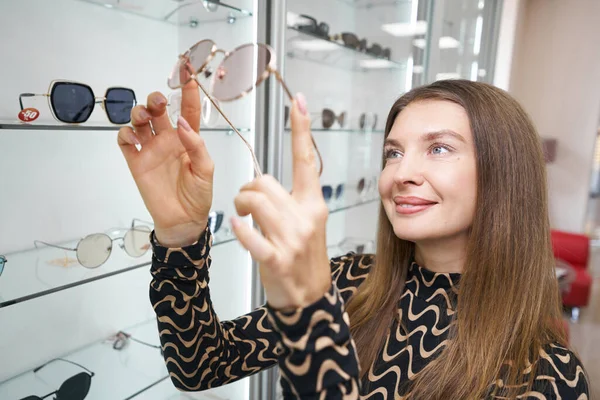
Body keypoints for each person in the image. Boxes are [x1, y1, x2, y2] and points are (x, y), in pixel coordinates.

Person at [117, 79, 590, 399]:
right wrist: (181, 238)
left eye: (439, 148)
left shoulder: (549, 376)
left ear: (504, 172)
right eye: (393, 152)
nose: (401, 174)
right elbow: (199, 364)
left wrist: (308, 316)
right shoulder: (349, 281)